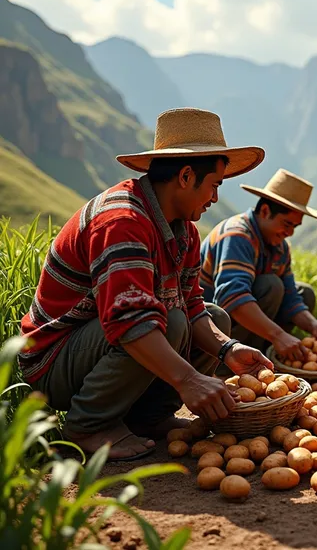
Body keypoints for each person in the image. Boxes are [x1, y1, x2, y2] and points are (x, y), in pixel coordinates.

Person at [17, 107, 274, 462]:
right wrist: (188, 379)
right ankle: (86, 425)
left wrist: (228, 349)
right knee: (168, 321)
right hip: (55, 361)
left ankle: (148, 417)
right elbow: (130, 321)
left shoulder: (182, 229)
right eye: (214, 185)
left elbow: (193, 304)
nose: (215, 198)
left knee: (214, 317)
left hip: (109, 343)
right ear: (185, 176)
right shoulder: (121, 220)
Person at [200, 168, 317, 373]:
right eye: (286, 224)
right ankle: (227, 363)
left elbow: (291, 296)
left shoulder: (280, 247)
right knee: (270, 285)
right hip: (212, 325)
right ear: (264, 212)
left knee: (304, 293)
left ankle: (266, 354)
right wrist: (279, 335)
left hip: (243, 318)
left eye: (294, 227)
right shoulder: (237, 235)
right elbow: (232, 297)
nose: (289, 233)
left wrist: (314, 325)